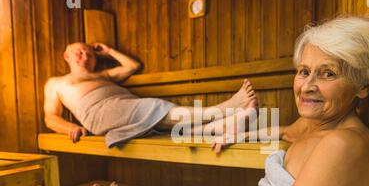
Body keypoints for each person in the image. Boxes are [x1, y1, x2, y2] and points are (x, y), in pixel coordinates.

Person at [85, 15, 369, 186]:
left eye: (328, 73)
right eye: (304, 71)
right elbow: (287, 131)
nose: (307, 85)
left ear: (362, 86)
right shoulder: (321, 123)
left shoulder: (345, 145)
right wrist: (239, 136)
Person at [44, 42, 258, 147]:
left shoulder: (104, 75)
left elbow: (132, 65)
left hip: (125, 106)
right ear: (66, 56)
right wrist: (70, 127)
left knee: (157, 124)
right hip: (98, 112)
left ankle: (223, 126)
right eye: (79, 52)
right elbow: (50, 117)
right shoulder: (57, 82)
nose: (86, 56)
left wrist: (108, 52)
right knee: (151, 108)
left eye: (90, 53)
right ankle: (223, 109)